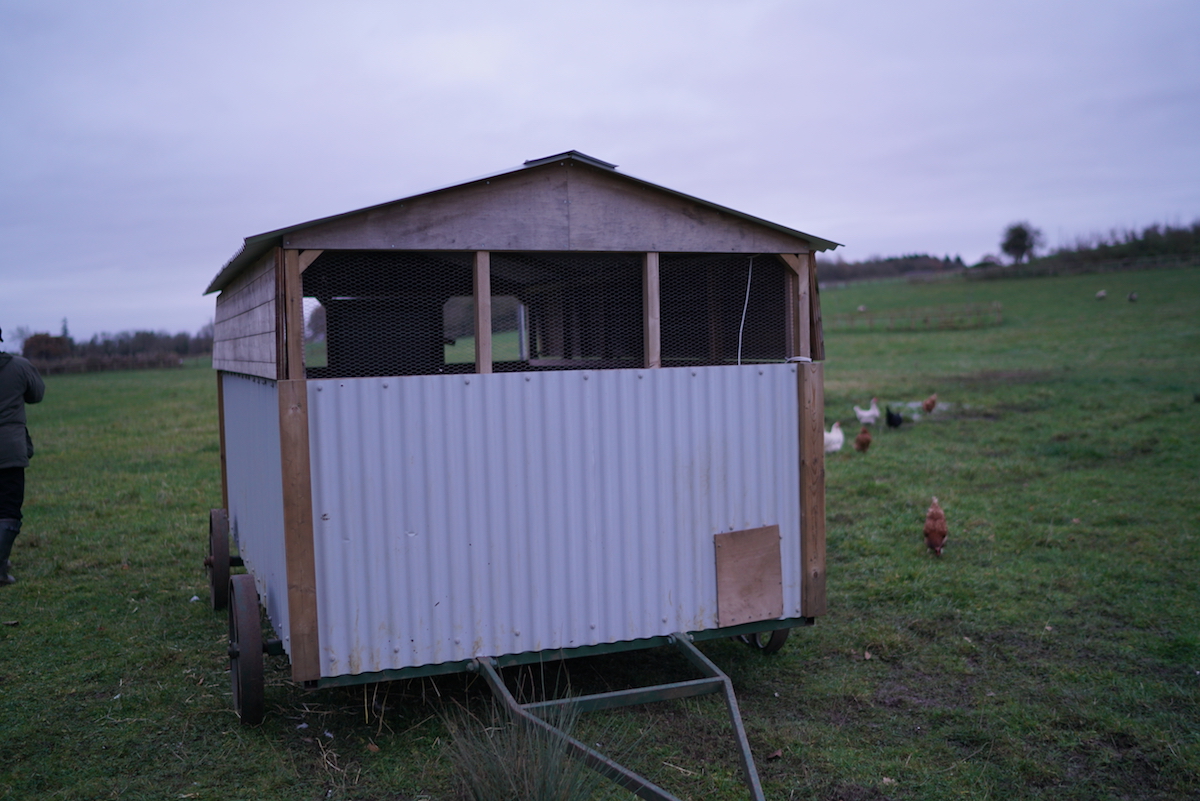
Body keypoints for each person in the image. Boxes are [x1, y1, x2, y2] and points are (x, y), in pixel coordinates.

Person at [0, 327, 46, 585]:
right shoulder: (19, 366)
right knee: (7, 508)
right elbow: (36, 395)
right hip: (9, 449)